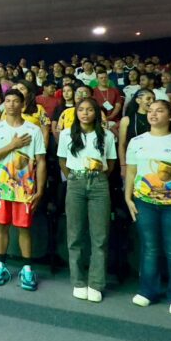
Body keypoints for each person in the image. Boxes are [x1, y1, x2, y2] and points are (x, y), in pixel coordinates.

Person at [124, 100, 171, 316]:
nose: (153, 114)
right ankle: (148, 291)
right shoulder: (137, 141)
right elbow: (131, 172)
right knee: (149, 248)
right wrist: (128, 197)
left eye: (159, 111)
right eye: (150, 111)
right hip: (144, 202)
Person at [0, 89, 47, 290]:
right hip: (1, 188)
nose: (11, 104)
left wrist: (40, 189)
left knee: (24, 228)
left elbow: (41, 161)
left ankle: (27, 269)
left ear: (22, 104)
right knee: (0, 227)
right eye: (8, 100)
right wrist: (12, 145)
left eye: (15, 101)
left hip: (25, 189)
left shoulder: (34, 130)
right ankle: (0, 265)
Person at [58, 99, 117, 302]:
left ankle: (96, 283)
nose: (85, 113)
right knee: (74, 235)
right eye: (81, 110)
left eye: (90, 110)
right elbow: (62, 161)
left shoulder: (107, 135)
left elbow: (110, 162)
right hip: (75, 181)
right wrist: (75, 177)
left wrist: (97, 178)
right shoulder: (66, 134)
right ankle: (78, 281)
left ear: (97, 113)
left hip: (99, 183)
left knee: (99, 236)